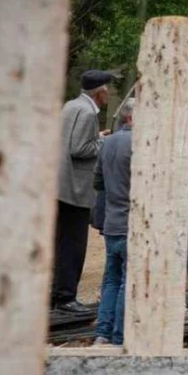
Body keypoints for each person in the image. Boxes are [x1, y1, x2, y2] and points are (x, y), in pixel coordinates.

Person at [53, 69, 114, 312]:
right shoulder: (88, 113)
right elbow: (79, 149)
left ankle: (57, 294)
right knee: (74, 246)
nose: (109, 92)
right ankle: (66, 297)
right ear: (100, 92)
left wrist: (95, 136)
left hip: (60, 186)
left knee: (61, 243)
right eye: (107, 89)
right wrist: (103, 141)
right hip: (75, 190)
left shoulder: (71, 106)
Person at [91, 98, 134, 346]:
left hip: (112, 221)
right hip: (131, 221)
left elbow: (98, 182)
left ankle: (103, 333)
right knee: (127, 280)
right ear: (131, 117)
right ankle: (119, 336)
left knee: (111, 280)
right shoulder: (140, 143)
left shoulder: (107, 143)